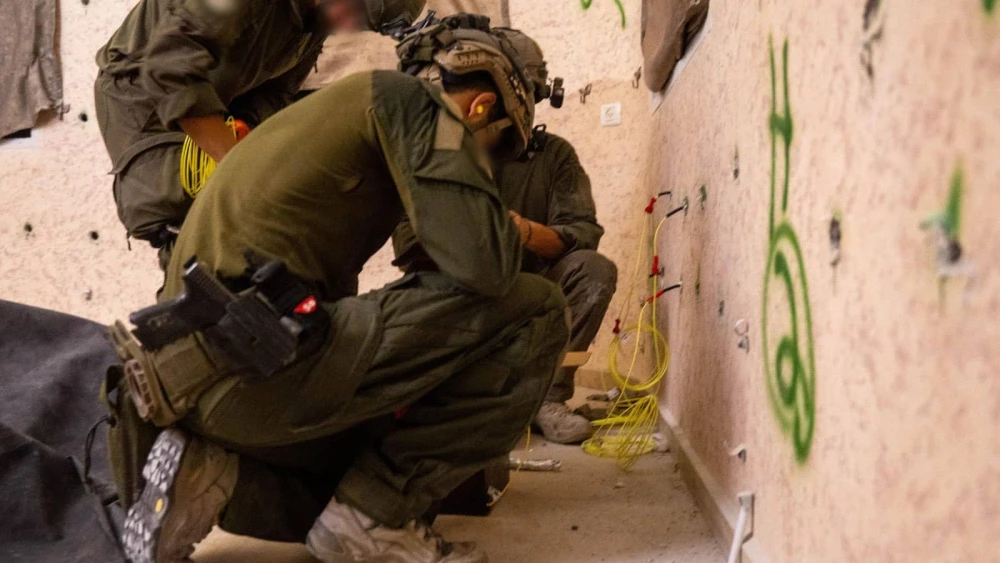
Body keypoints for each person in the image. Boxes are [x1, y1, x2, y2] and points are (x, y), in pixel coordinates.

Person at [105, 16, 567, 563]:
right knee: (535, 308)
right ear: (480, 108)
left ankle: (213, 474)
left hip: (195, 385)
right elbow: (484, 269)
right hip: (257, 367)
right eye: (491, 151)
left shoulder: (322, 117)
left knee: (357, 475)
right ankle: (374, 521)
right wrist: (497, 211)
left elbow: (417, 266)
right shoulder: (420, 107)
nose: (485, 165)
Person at [394, 29, 616, 444]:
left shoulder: (554, 156)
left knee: (593, 270)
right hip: (462, 290)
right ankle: (459, 400)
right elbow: (409, 247)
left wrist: (520, 231)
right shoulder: (439, 147)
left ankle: (548, 398)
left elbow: (582, 235)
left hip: (535, 291)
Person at [94, 0, 426, 270]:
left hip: (227, 94)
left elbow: (277, 91)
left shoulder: (318, 14)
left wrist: (263, 144)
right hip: (144, 94)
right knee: (192, 219)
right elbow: (169, 65)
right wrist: (242, 166)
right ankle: (193, 334)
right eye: (353, 10)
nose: (347, 24)